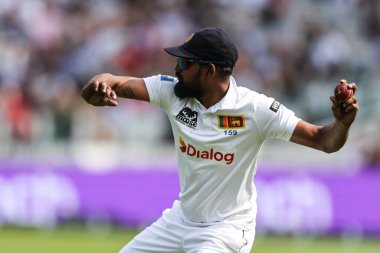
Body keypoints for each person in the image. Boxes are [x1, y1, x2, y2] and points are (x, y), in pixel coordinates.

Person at [81, 27, 359, 253]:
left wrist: (342, 123)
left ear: (209, 71)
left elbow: (324, 141)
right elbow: (112, 80)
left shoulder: (257, 110)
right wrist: (97, 85)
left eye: (183, 62)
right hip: (180, 220)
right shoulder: (171, 91)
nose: (176, 68)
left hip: (225, 230)